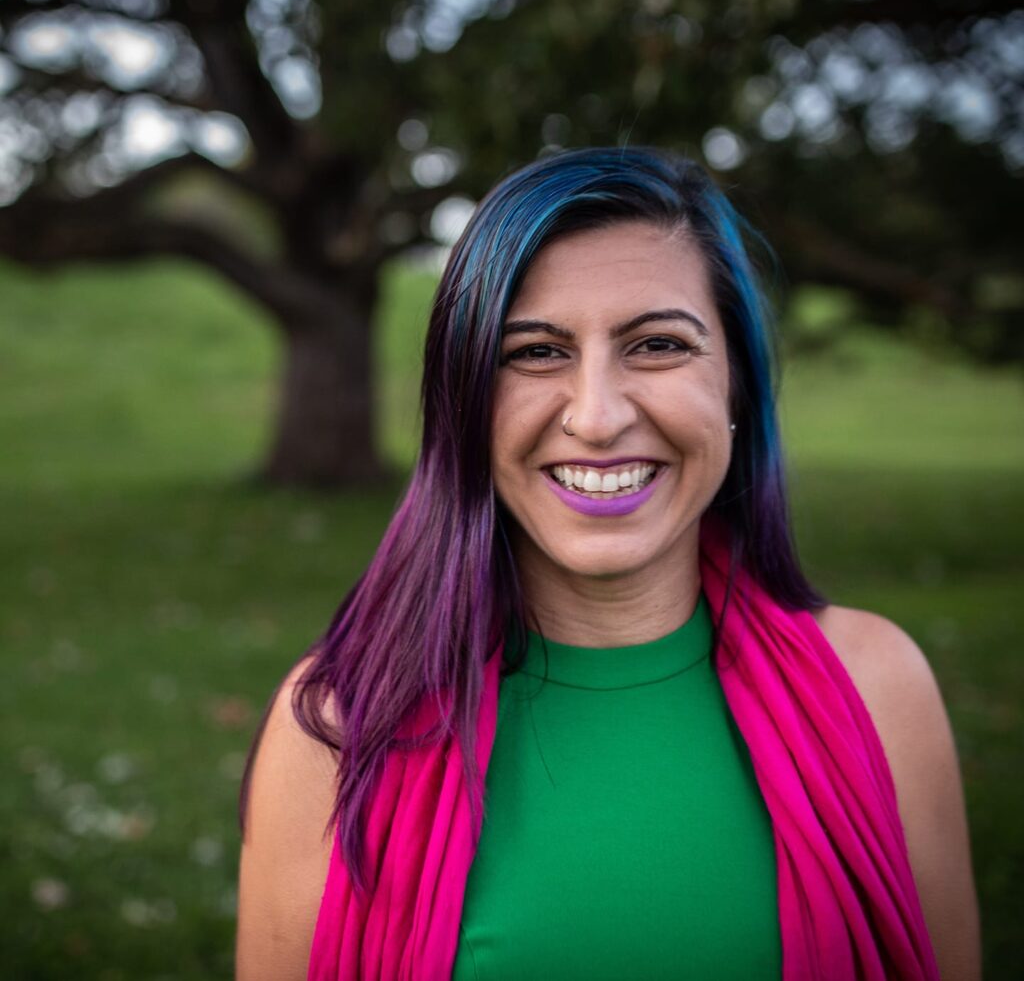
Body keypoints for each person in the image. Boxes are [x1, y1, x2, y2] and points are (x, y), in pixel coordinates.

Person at [236, 147, 980, 980]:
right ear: (465, 401)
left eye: (658, 344)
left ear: (736, 385)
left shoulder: (878, 688)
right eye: (536, 353)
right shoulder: (336, 730)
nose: (596, 418)